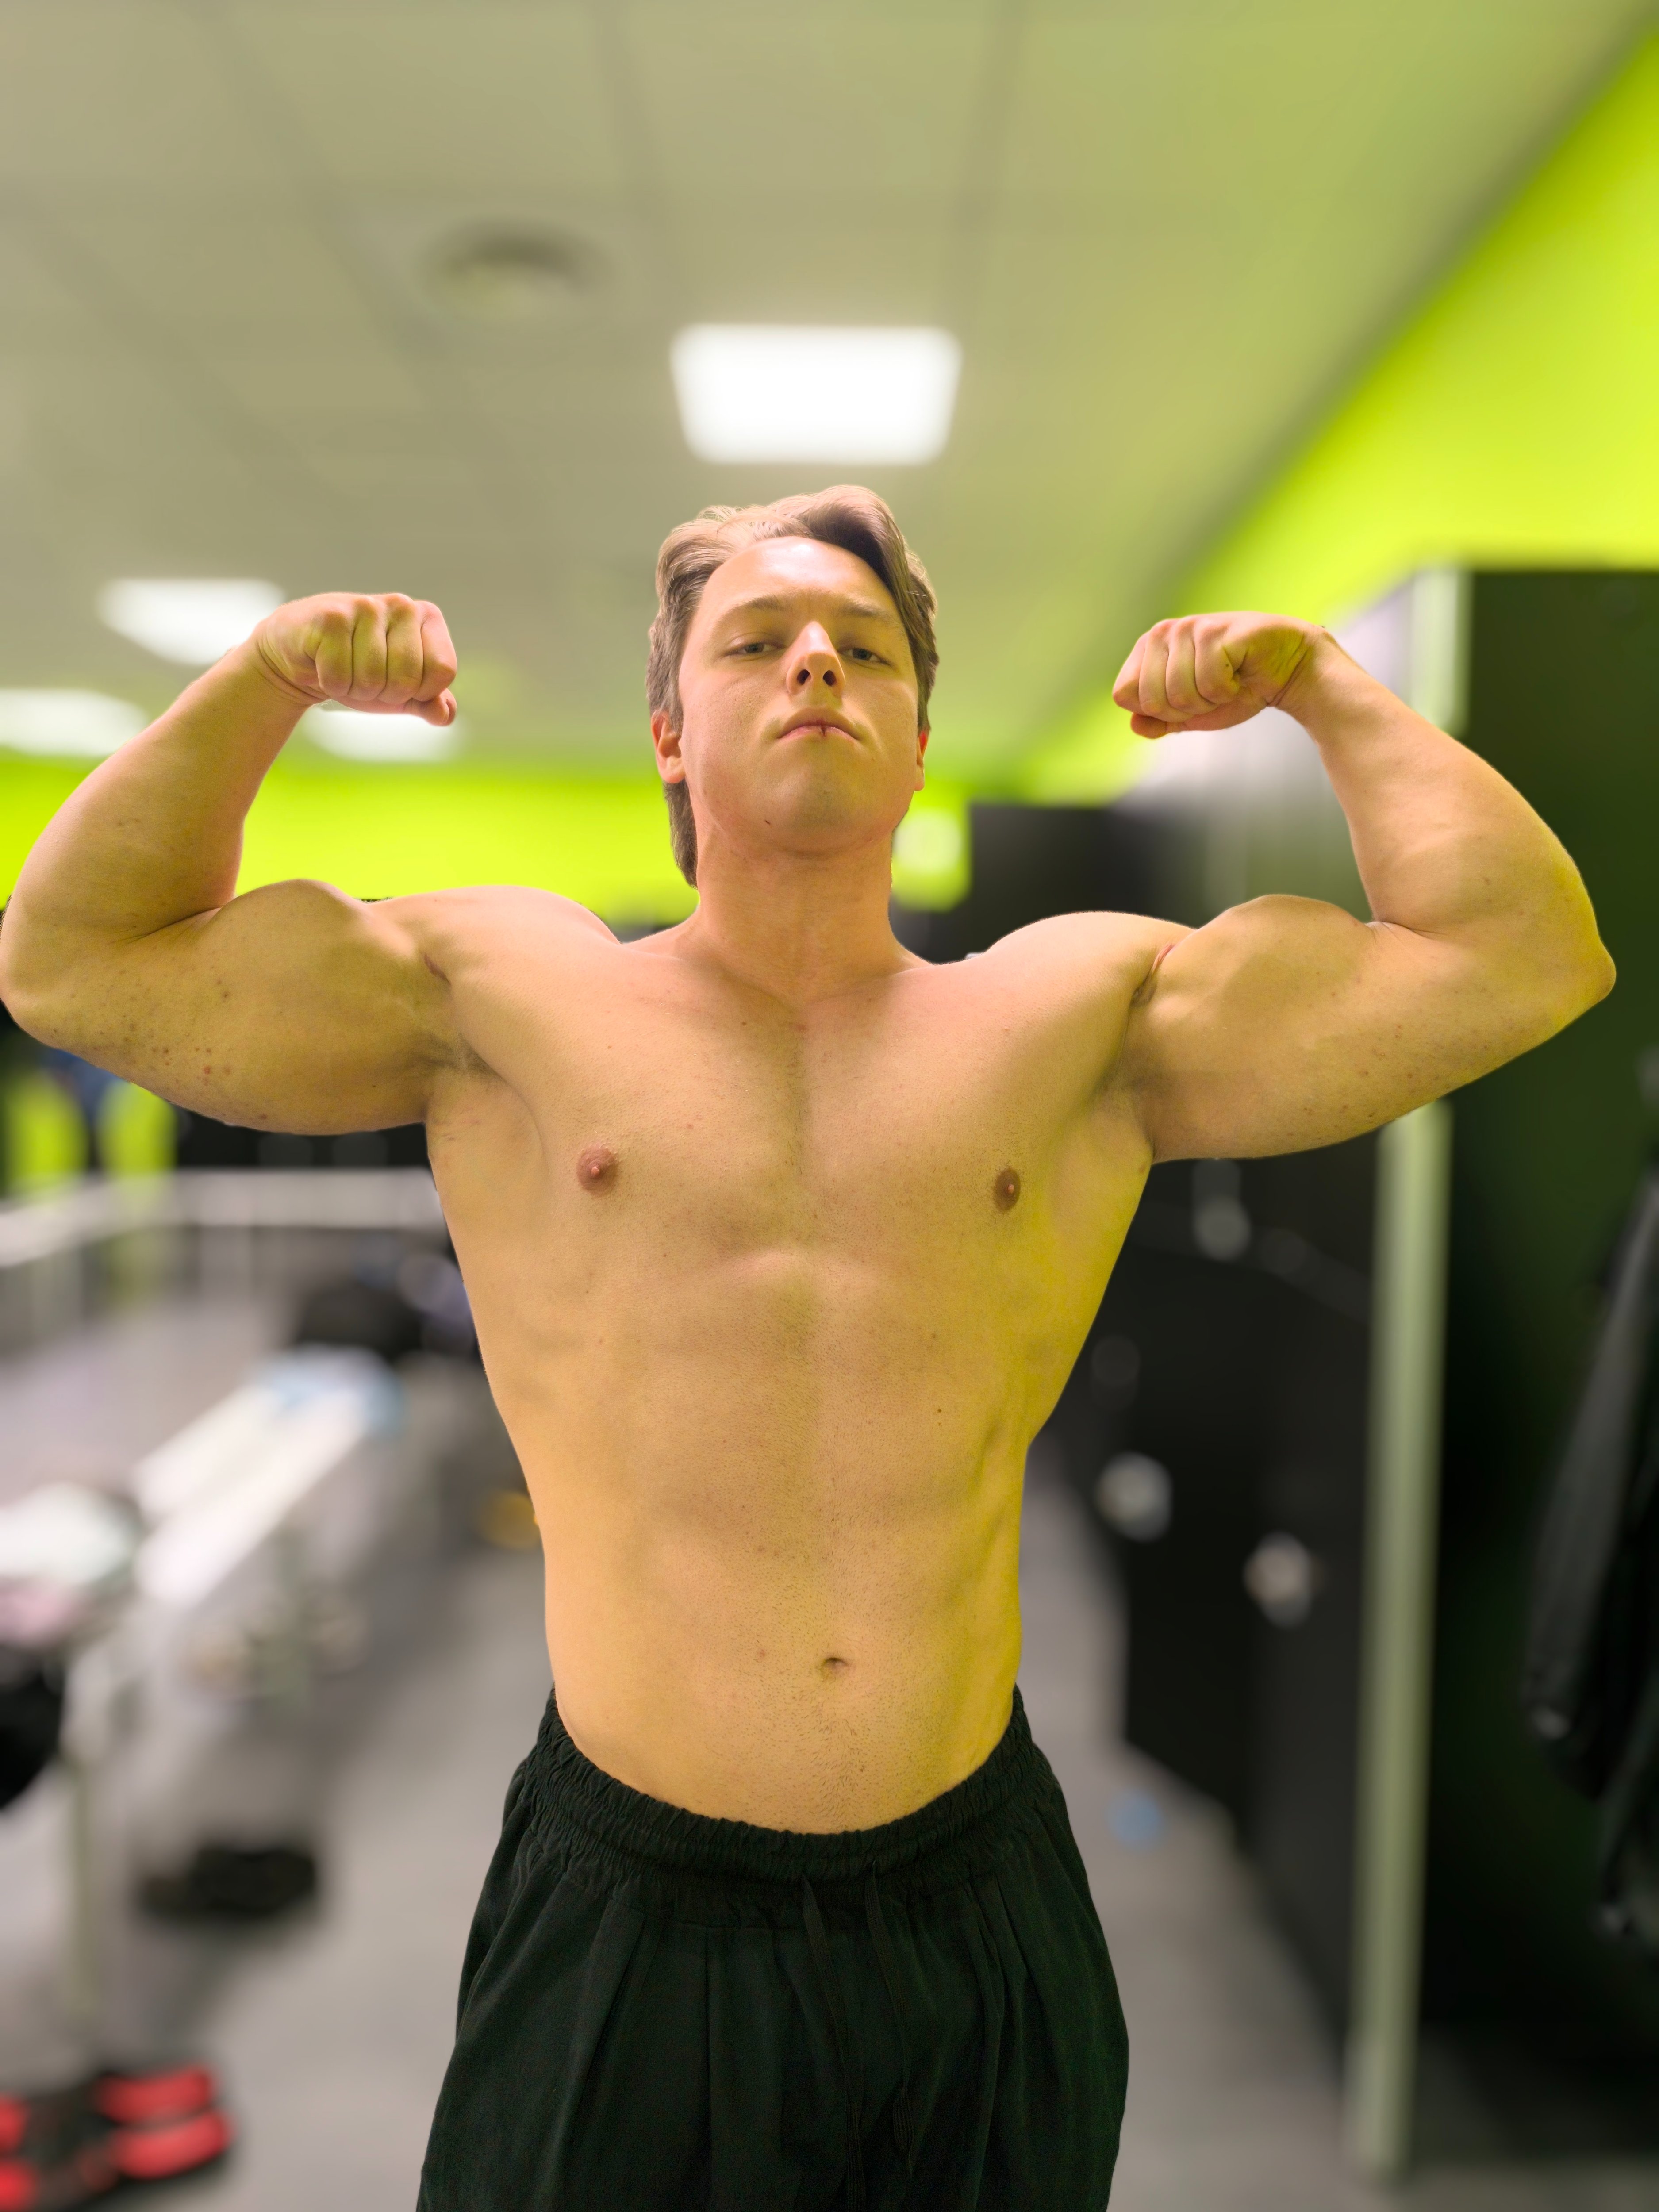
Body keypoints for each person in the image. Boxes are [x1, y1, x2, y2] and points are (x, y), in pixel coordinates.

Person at [0, 488, 1612, 2208]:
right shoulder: (501, 997)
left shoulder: (1078, 1016)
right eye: (755, 642)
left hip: (968, 1897)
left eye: (866, 649)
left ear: (917, 741)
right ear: (667, 733)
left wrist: (1324, 689)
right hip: (633, 1910)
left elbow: (1523, 954)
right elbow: (74, 960)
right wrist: (262, 677)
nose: (817, 667)